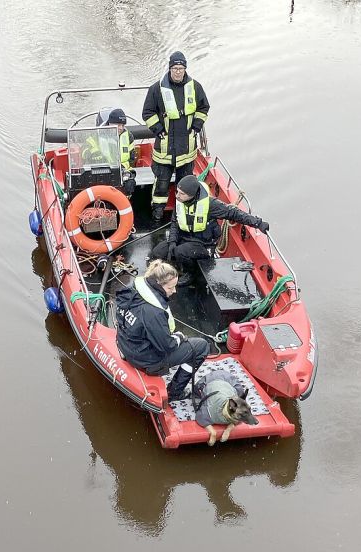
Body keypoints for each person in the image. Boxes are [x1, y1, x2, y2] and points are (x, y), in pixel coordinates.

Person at [115, 259, 210, 401]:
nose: (174, 291)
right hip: (145, 359)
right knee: (201, 346)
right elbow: (167, 346)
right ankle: (174, 393)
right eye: (171, 288)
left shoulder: (133, 290)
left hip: (126, 345)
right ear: (159, 285)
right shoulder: (154, 312)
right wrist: (178, 337)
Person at [152, 175, 269, 285]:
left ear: (192, 195)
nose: (177, 196)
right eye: (177, 192)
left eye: (181, 194)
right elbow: (175, 223)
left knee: (180, 252)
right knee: (158, 252)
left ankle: (191, 274)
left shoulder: (210, 205)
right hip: (184, 238)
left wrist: (258, 223)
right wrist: (172, 241)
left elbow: (233, 213)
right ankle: (179, 263)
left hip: (203, 244)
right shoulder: (181, 202)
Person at [142, 51, 210, 225]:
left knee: (185, 186)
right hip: (164, 149)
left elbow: (203, 108)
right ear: (170, 68)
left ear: (185, 69)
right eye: (175, 68)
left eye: (181, 68)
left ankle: (182, 218)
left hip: (186, 149)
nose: (178, 71)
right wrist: (158, 130)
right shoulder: (156, 89)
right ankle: (157, 217)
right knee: (161, 186)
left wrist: (196, 126)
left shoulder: (195, 87)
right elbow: (148, 112)